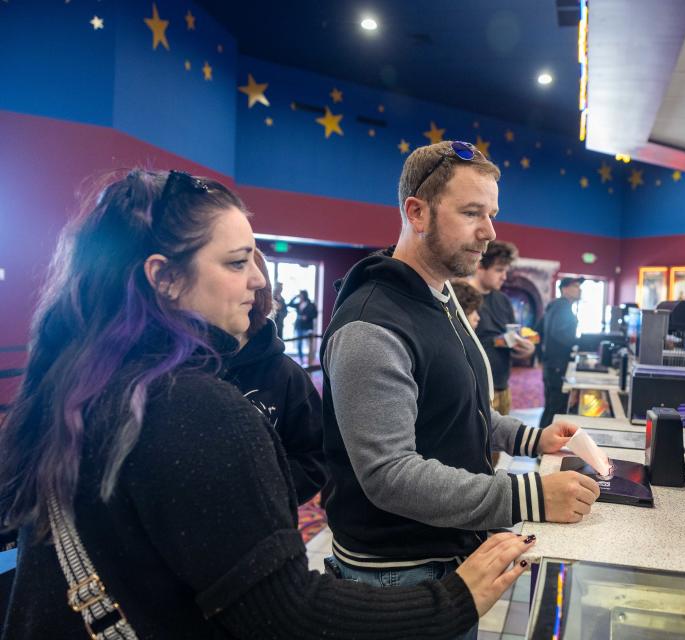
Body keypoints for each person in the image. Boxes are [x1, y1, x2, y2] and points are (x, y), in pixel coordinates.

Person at [0, 169, 532, 639]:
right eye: (236, 264)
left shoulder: (83, 382)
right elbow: (286, 616)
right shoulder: (196, 408)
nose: (258, 280)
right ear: (163, 278)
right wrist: (455, 598)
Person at [318, 142, 599, 633]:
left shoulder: (438, 295)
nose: (489, 232)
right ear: (417, 212)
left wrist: (529, 439)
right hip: (398, 578)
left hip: (443, 554)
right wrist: (529, 496)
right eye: (472, 213)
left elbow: (454, 410)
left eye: (491, 214)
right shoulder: (371, 325)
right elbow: (390, 475)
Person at [220, 249, 326, 505]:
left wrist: (260, 493)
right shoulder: (173, 367)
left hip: (262, 521)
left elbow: (314, 460)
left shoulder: (287, 374)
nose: (252, 282)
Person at [468, 240, 535, 416]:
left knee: (500, 442)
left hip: (502, 384)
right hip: (474, 388)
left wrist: (524, 349)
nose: (504, 276)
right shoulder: (462, 297)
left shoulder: (503, 300)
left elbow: (511, 339)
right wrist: (499, 341)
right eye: (499, 270)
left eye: (506, 270)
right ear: (480, 266)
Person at [539, 276, 583, 428]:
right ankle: (543, 445)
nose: (579, 289)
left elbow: (538, 329)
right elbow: (558, 333)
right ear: (564, 289)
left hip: (551, 363)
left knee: (551, 405)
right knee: (556, 406)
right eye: (575, 286)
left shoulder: (555, 305)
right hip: (557, 364)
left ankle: (540, 444)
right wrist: (579, 344)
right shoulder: (562, 306)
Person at [288, 289, 318, 364]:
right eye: (299, 295)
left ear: (304, 295)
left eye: (301, 295)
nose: (300, 296)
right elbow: (289, 304)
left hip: (308, 327)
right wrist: (295, 297)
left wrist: (307, 316)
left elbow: (315, 315)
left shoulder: (311, 304)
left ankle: (310, 360)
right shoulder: (298, 304)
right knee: (299, 344)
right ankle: (301, 360)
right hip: (299, 326)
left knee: (309, 344)